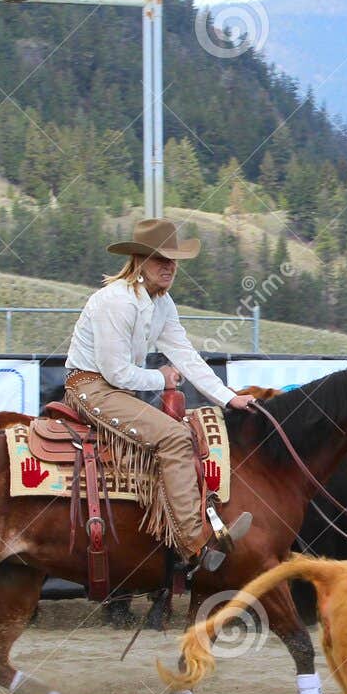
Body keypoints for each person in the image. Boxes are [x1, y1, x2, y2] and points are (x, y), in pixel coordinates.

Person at [63, 218, 252, 571]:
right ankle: (196, 545)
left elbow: (187, 356)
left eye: (173, 260)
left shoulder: (162, 305)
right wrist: (162, 377)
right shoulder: (115, 302)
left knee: (181, 434)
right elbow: (116, 372)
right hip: (90, 388)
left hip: (115, 390)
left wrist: (227, 398)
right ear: (139, 260)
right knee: (175, 438)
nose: (169, 267)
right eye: (160, 259)